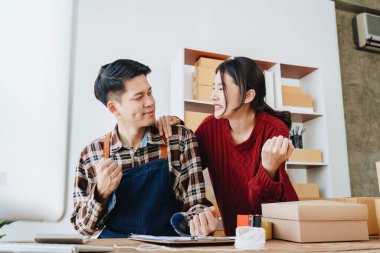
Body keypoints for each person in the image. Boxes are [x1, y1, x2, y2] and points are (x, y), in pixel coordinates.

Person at [70, 59, 219, 238]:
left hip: (166, 249)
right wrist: (101, 193)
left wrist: (198, 222)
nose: (150, 102)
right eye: (139, 97)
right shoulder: (91, 155)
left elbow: (196, 204)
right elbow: (83, 229)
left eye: (150, 92)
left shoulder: (179, 139)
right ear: (114, 107)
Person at [157, 57, 299, 236]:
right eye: (213, 88)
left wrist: (268, 170)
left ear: (248, 95)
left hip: (279, 231)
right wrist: (176, 128)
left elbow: (262, 207)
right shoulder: (210, 128)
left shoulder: (274, 130)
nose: (213, 96)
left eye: (222, 89)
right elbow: (187, 164)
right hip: (236, 234)